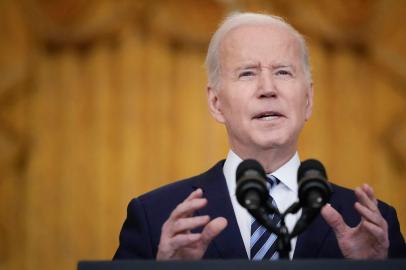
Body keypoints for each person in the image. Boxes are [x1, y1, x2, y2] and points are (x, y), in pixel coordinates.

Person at [113, 12, 406, 260]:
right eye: (247, 73)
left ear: (308, 101)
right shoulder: (156, 218)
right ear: (216, 103)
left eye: (283, 72)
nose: (268, 88)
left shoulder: (372, 226)